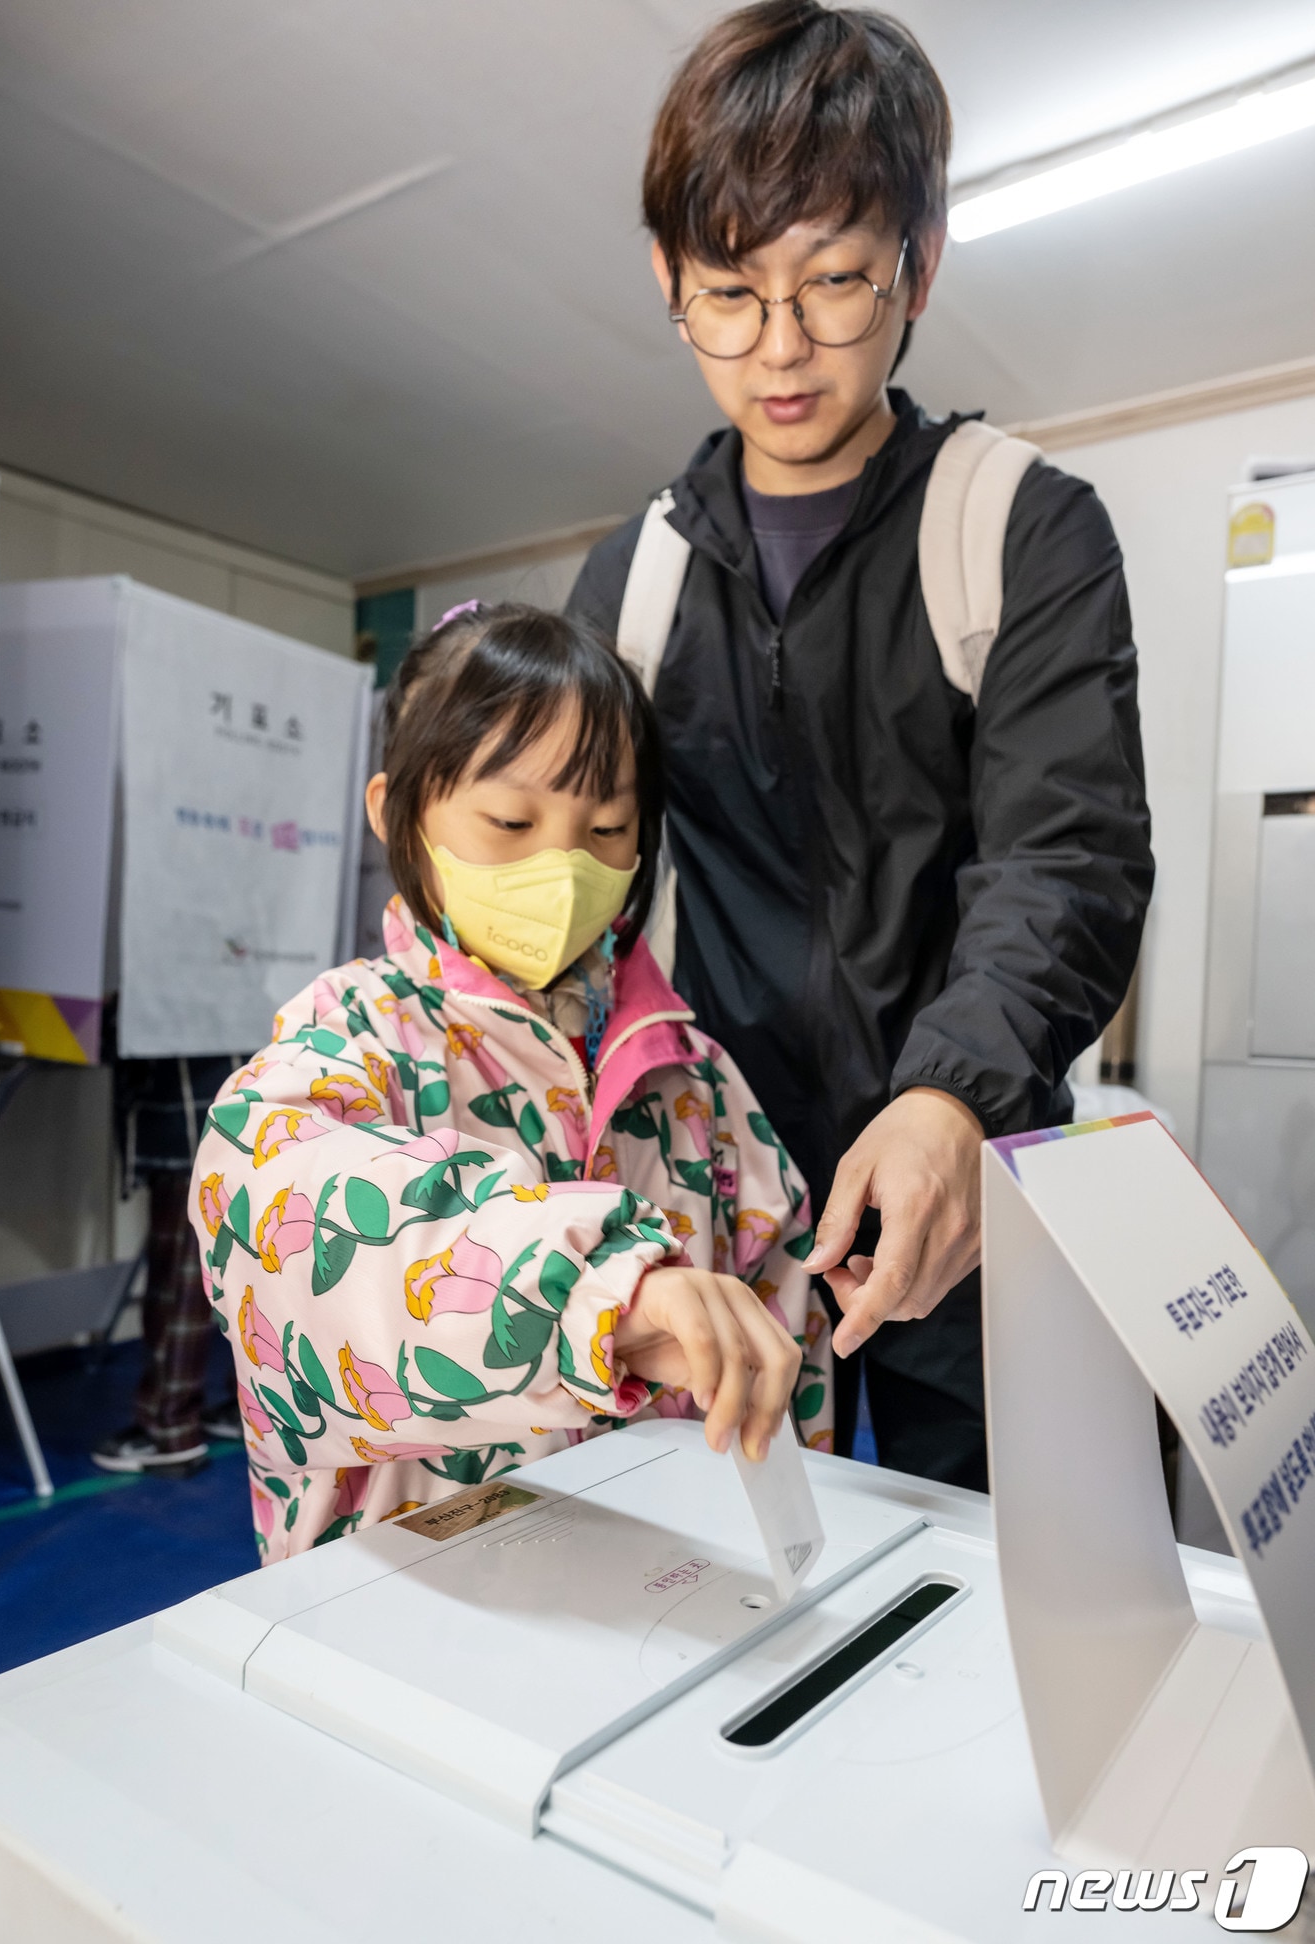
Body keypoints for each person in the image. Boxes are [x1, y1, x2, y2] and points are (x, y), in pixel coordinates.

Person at [568, 1, 1152, 1489]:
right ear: (667, 279)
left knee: (1033, 1621)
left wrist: (951, 1093)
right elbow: (573, 893)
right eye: (727, 295)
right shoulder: (632, 582)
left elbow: (1065, 857)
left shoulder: (1018, 526)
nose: (781, 350)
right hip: (727, 1215)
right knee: (742, 1620)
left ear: (920, 267)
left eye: (834, 286)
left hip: (980, 1187)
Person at [189, 603, 832, 1562]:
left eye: (608, 828)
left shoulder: (695, 1077)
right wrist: (597, 1291)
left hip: (663, 1583)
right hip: (413, 1596)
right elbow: (280, 1232)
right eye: (510, 820)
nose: (563, 867)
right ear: (395, 811)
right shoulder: (355, 1032)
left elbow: (786, 1346)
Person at [94, 1054, 246, 1476]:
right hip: (256, 1114)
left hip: (190, 1113)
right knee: (248, 1271)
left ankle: (169, 1430)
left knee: (180, 1280)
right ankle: (246, 1410)